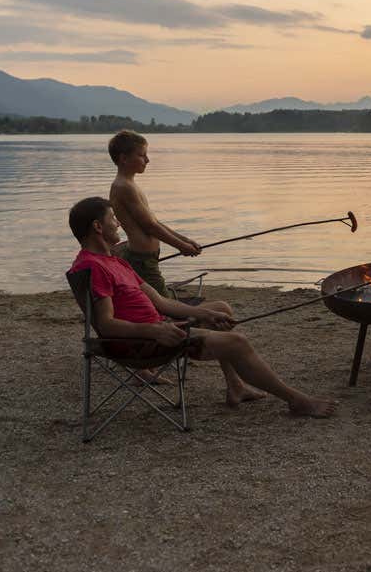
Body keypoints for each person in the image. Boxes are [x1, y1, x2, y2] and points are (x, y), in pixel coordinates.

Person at [68, 196, 336, 417]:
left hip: (158, 330)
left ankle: (236, 387)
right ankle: (296, 400)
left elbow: (162, 302)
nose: (119, 224)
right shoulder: (93, 267)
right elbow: (106, 324)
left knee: (220, 308)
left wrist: (205, 313)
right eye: (113, 219)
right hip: (142, 343)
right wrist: (155, 331)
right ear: (98, 227)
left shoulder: (116, 262)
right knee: (237, 342)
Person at [108, 130, 201, 298]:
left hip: (146, 257)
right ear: (124, 158)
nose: (147, 160)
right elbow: (150, 227)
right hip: (141, 259)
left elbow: (154, 222)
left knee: (157, 299)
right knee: (164, 304)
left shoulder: (130, 184)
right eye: (142, 155)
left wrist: (184, 240)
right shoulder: (123, 187)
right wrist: (180, 247)